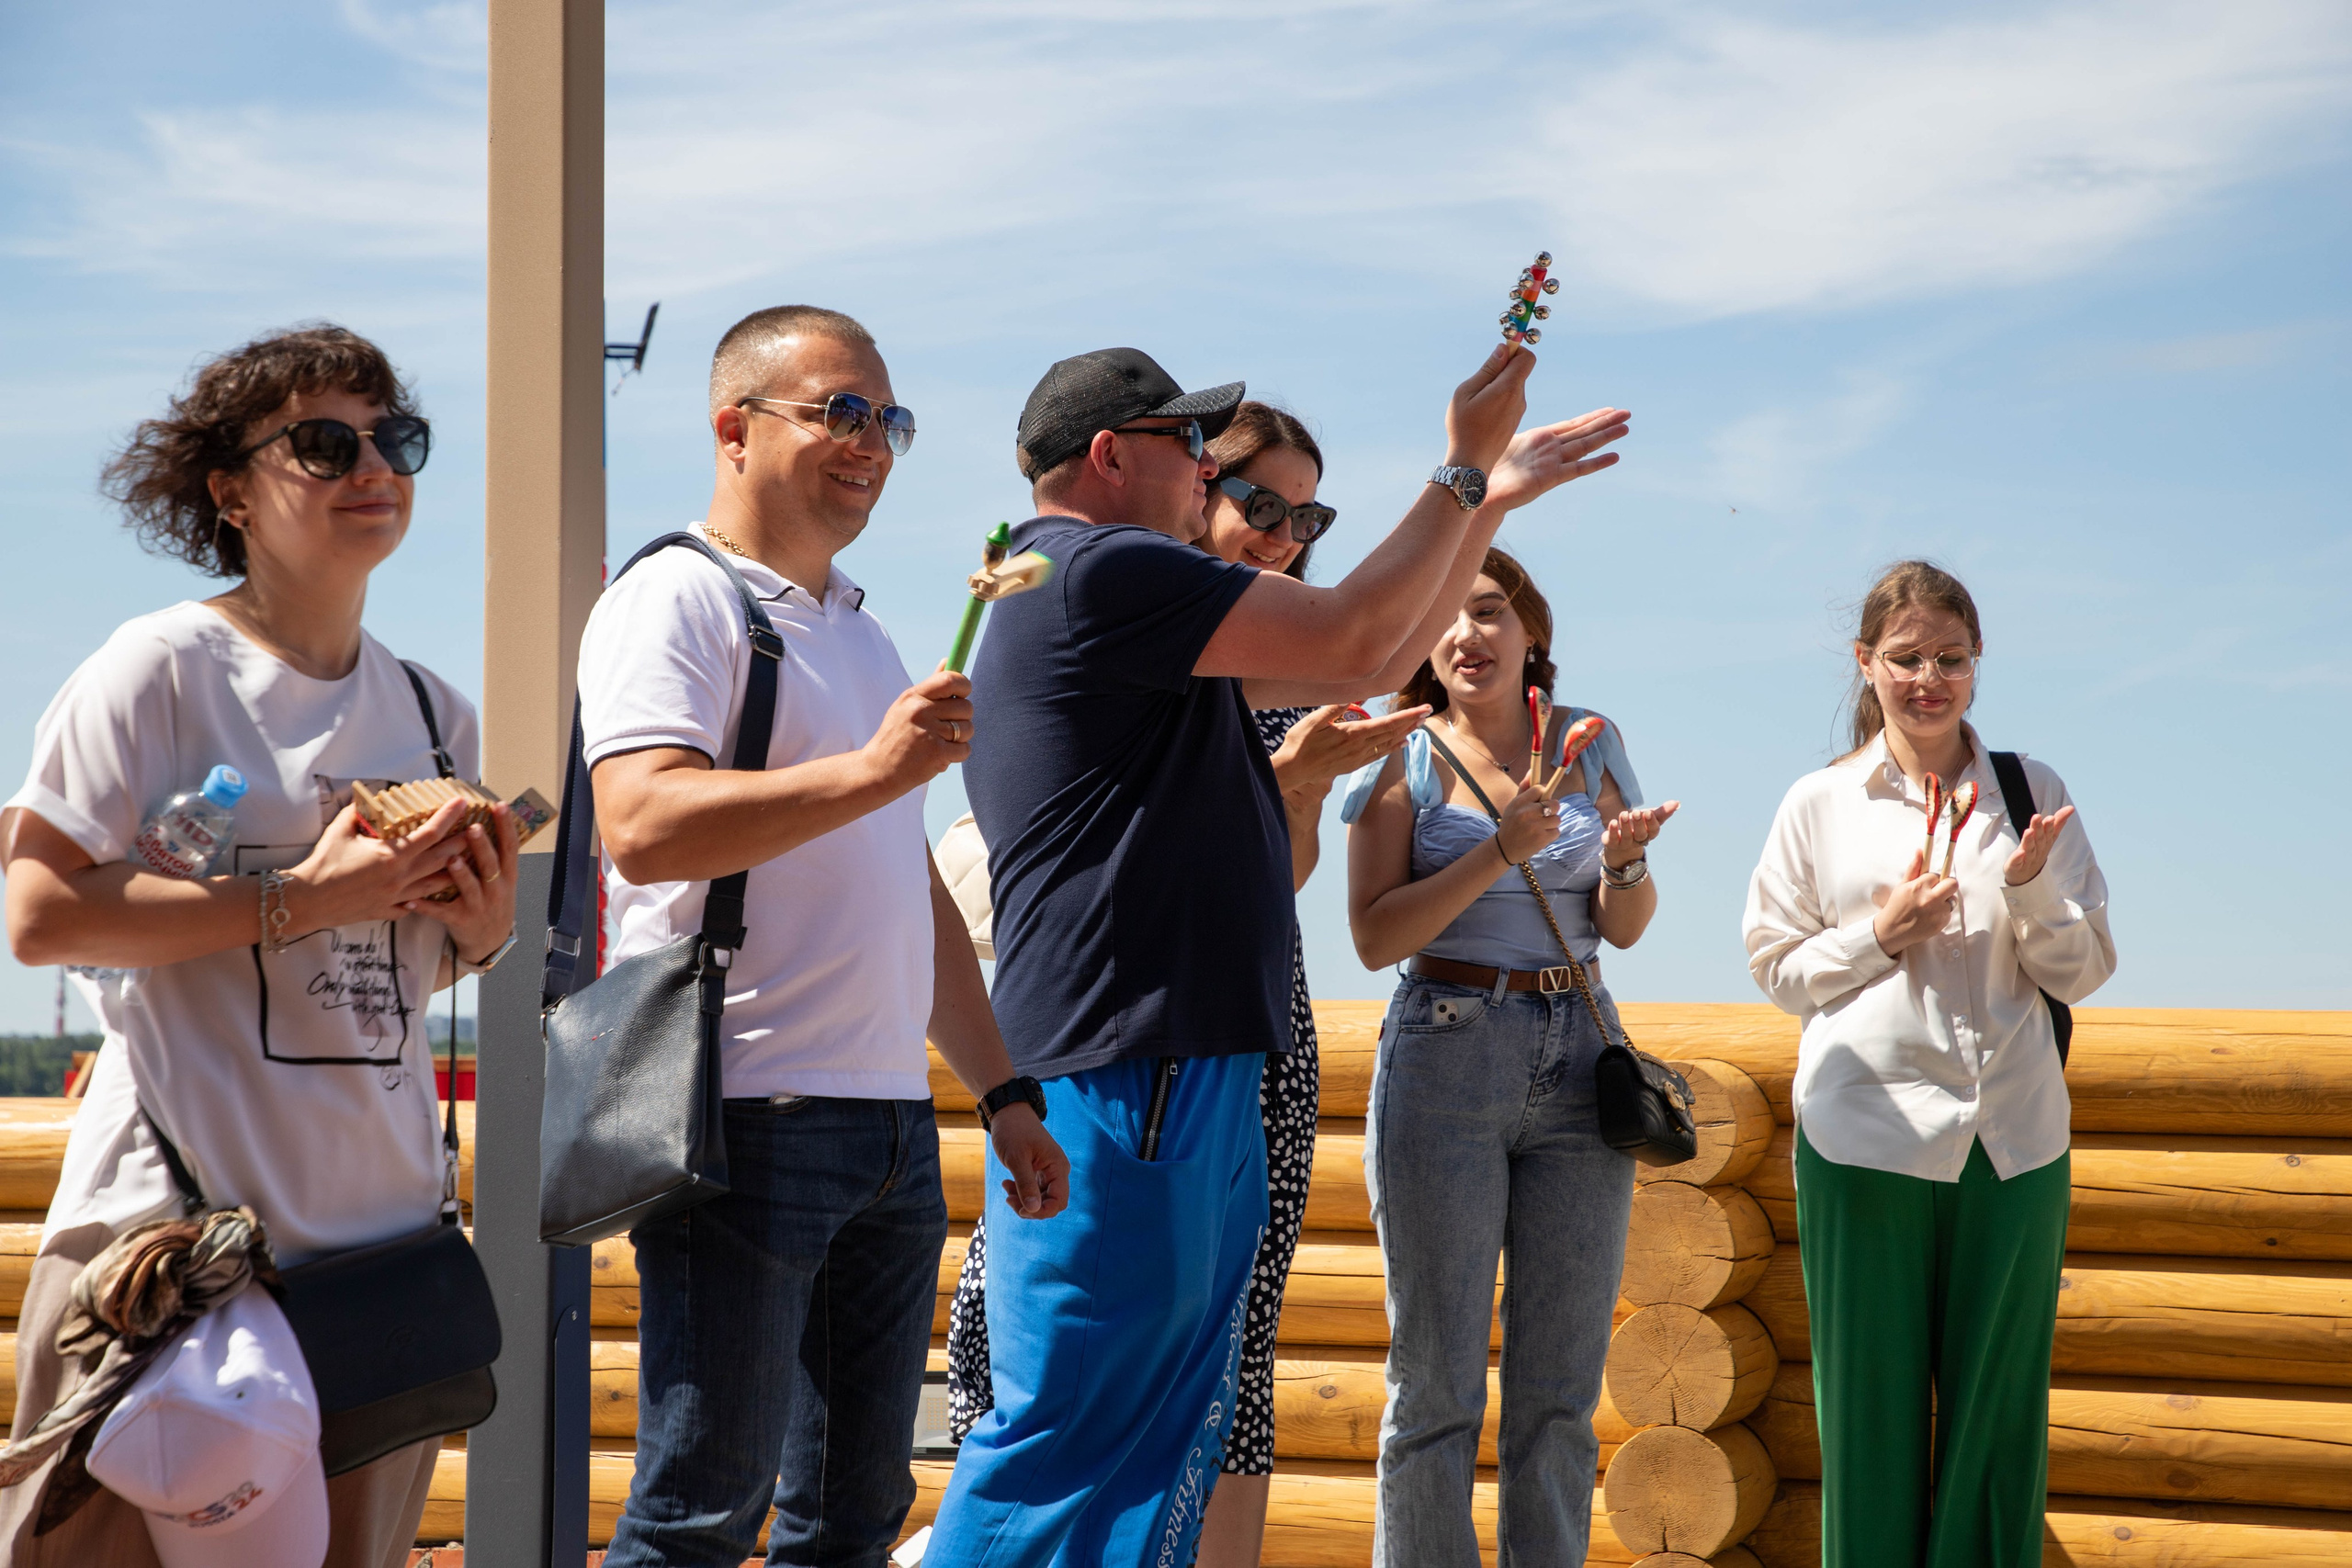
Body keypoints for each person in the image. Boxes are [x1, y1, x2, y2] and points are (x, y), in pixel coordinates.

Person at [924, 343, 1627, 1568]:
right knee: (1066, 1444)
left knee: (1148, 1446)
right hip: (1130, 1072)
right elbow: (1362, 640)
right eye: (1189, 445)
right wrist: (1464, 468)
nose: (1205, 467)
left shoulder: (1101, 593)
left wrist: (1488, 497)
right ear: (1108, 456)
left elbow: (1366, 639)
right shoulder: (1102, 567)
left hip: (1167, 1070)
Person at [1, 323, 518, 1567]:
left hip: (376, 1268)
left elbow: (394, 972)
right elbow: (39, 913)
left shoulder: (435, 711)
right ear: (230, 489)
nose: (372, 466)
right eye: (324, 443)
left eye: (397, 439)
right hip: (179, 1259)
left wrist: (478, 927)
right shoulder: (160, 669)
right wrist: (306, 892)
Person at [579, 305, 1069, 1568]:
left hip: (889, 1125)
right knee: (699, 1508)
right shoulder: (674, 597)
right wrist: (871, 767)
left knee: (854, 1518)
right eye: (840, 411)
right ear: (734, 427)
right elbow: (640, 823)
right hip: (745, 1114)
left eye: (887, 419)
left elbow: (904, 886)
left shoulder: (858, 627)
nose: (872, 443)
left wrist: (1002, 1088)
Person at [1741, 559, 2112, 1568]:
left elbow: (2083, 970)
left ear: (1976, 663)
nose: (1929, 679)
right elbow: (1775, 968)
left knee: (1998, 1432)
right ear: (1866, 664)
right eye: (1906, 659)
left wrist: (2031, 888)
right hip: (1864, 1143)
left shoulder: (2032, 794)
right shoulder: (1816, 804)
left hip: (2015, 1142)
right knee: (1869, 1428)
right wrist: (1880, 932)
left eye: (1951, 658)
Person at [1340, 547, 1677, 1567]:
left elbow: (1624, 928)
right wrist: (1498, 851)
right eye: (1443, 614)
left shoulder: (1590, 741)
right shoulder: (1396, 752)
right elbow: (1371, 938)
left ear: (1531, 633)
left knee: (1560, 1394)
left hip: (1579, 1047)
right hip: (1446, 1049)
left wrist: (1624, 865)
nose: (1463, 633)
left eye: (1486, 611)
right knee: (1435, 1384)